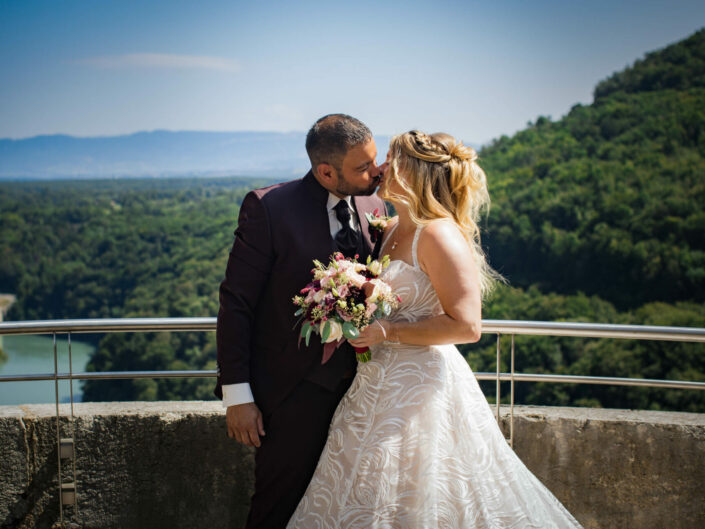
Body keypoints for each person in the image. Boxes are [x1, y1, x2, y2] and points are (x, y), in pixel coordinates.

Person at [287, 130, 583, 528]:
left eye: (391, 159)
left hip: (421, 390)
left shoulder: (438, 233)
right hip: (374, 382)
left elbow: (467, 325)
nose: (381, 168)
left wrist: (386, 331)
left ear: (410, 172)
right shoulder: (389, 228)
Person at [215, 114, 387, 528]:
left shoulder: (375, 204)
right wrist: (237, 396)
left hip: (365, 390)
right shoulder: (269, 208)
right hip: (291, 392)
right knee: (279, 504)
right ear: (325, 171)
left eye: (374, 160)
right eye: (363, 167)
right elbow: (236, 304)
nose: (376, 173)